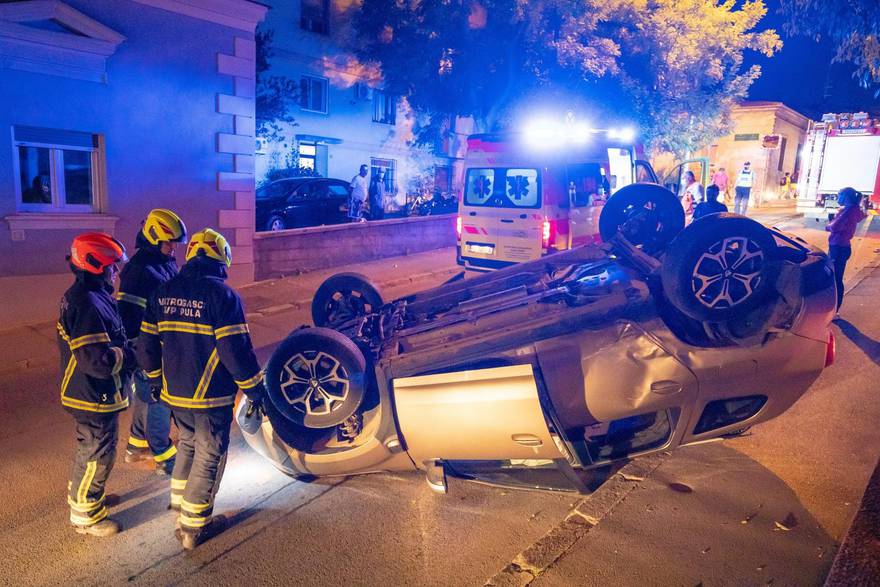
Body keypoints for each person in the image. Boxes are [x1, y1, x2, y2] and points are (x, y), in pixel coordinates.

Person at [137, 228, 265, 550]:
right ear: (221, 259)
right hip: (209, 396)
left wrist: (154, 380)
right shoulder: (223, 297)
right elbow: (235, 351)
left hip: (174, 395)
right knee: (209, 454)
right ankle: (194, 527)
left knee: (189, 446)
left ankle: (179, 504)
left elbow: (146, 345)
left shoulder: (162, 292)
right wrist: (254, 388)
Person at [58, 233, 134, 536]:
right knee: (97, 453)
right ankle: (86, 515)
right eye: (111, 267)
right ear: (95, 265)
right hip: (92, 395)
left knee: (92, 450)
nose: (115, 272)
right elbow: (95, 361)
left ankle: (88, 495)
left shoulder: (88, 293)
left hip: (89, 393)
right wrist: (131, 355)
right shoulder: (88, 302)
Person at [117, 209, 187, 475]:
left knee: (146, 397)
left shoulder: (161, 262)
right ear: (155, 238)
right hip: (150, 346)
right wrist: (142, 351)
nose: (174, 249)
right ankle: (164, 456)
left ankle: (136, 447)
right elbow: (129, 315)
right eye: (170, 243)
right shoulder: (138, 271)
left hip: (161, 344)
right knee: (159, 399)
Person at [825, 187, 868, 317]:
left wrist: (829, 223)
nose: (837, 199)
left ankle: (834, 311)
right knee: (836, 278)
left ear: (845, 197)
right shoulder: (853, 210)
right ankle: (834, 309)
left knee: (834, 279)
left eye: (839, 196)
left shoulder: (847, 211)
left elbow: (834, 227)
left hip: (837, 247)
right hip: (843, 247)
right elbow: (862, 215)